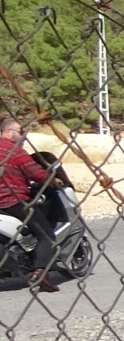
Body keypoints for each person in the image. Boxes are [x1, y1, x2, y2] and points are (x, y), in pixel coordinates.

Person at [0, 117, 60, 292]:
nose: (24, 137)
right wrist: (53, 179)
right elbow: (37, 174)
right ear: (10, 132)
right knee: (46, 235)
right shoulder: (15, 152)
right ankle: (41, 272)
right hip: (13, 202)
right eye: (21, 133)